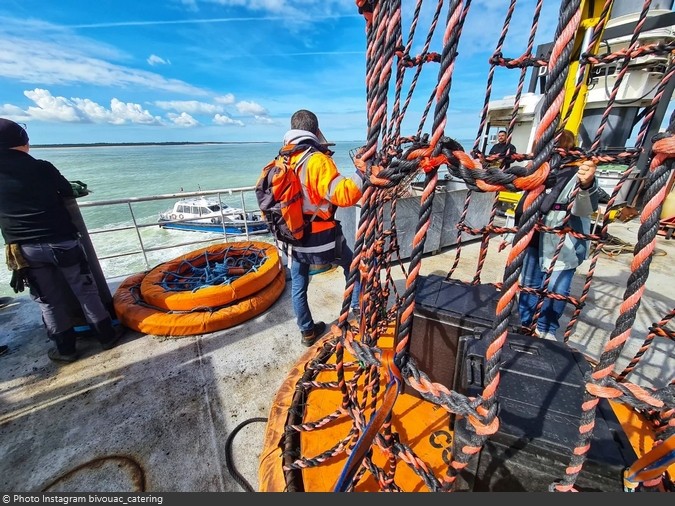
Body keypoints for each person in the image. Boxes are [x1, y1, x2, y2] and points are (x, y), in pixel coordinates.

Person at [0, 118, 124, 363]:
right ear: (23, 142)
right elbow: (67, 190)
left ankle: (65, 349)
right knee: (85, 290)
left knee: (48, 300)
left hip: (25, 250)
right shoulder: (42, 167)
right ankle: (107, 336)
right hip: (62, 241)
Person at [281, 110, 365, 346]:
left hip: (293, 235)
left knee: (298, 284)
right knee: (352, 266)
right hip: (322, 237)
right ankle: (358, 312)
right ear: (316, 131)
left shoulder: (284, 158)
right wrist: (362, 171)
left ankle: (307, 331)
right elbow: (346, 194)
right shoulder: (316, 160)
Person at [517, 129, 599, 340]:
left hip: (563, 243)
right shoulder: (539, 171)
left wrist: (587, 184)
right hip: (533, 238)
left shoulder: (576, 172)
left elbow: (584, 207)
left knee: (556, 289)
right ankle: (526, 325)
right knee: (529, 286)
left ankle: (546, 329)